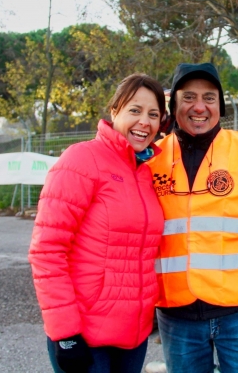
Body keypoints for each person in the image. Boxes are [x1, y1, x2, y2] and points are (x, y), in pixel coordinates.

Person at [147, 63, 238, 373]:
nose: (199, 106)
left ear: (220, 105)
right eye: (188, 97)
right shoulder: (151, 159)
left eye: (209, 97)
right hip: (176, 319)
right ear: (173, 105)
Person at [28, 73, 167, 373]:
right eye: (135, 110)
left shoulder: (146, 173)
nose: (145, 121)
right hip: (85, 336)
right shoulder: (81, 159)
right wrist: (64, 333)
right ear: (115, 110)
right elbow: (47, 250)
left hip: (133, 336)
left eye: (153, 114)